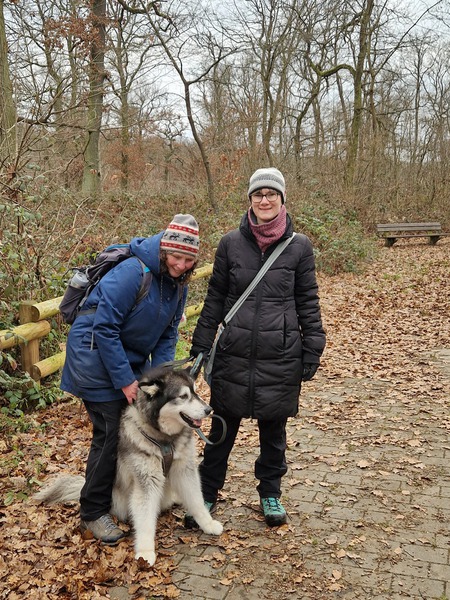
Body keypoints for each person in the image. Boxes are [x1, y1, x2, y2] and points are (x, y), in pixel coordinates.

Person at [188, 168, 326, 527]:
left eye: (271, 194)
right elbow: (215, 298)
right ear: (250, 199)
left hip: (279, 353)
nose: (265, 200)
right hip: (233, 351)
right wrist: (201, 342)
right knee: (221, 429)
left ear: (282, 199)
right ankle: (206, 492)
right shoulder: (230, 243)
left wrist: (313, 346)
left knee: (273, 431)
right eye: (258, 194)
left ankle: (270, 493)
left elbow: (307, 300)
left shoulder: (299, 247)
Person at [60, 214, 200, 543]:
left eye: (188, 260)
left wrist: (162, 386)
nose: (181, 265)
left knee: (136, 429)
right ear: (164, 250)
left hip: (127, 358)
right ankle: (92, 513)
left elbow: (167, 335)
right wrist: (126, 381)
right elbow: (104, 328)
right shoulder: (131, 272)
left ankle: (124, 495)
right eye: (176, 257)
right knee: (111, 433)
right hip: (93, 356)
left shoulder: (178, 285)